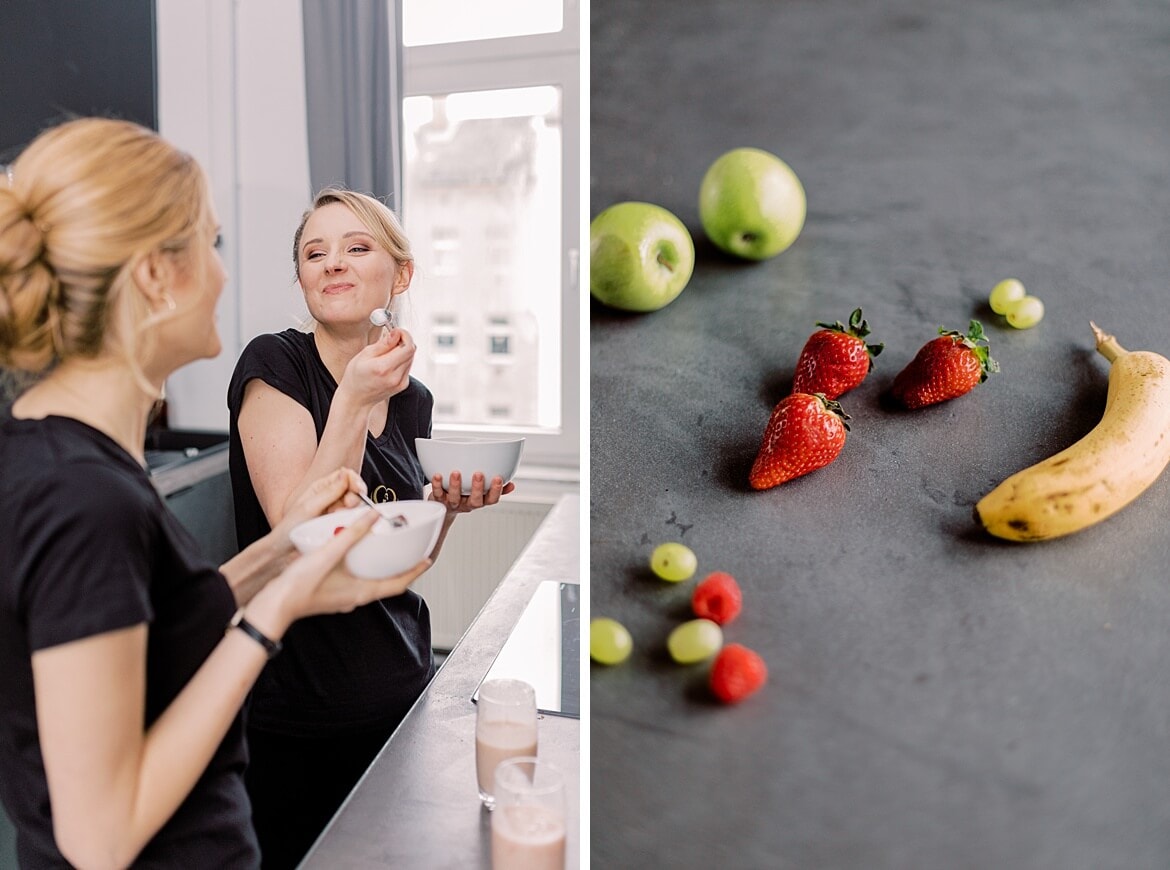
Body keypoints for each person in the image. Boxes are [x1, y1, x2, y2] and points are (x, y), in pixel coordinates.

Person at [0, 118, 431, 869]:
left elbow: (154, 635)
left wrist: (280, 553)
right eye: (211, 243)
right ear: (156, 276)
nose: (224, 274)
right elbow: (98, 838)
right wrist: (274, 612)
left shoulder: (70, 461)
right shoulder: (81, 498)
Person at [226, 186, 513, 868]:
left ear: (400, 274)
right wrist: (351, 399)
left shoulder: (412, 398)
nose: (334, 264)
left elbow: (393, 557)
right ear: (300, 277)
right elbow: (307, 539)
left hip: (402, 682)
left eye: (358, 248)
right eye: (314, 253)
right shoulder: (275, 366)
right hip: (296, 704)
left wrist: (444, 506)